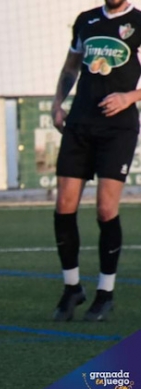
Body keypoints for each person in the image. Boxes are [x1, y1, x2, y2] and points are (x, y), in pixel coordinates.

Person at [51, 0, 141, 322]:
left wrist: (129, 97)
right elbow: (71, 66)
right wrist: (58, 103)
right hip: (80, 122)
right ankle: (72, 287)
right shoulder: (86, 20)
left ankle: (106, 292)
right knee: (64, 204)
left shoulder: (138, 22)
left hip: (118, 127)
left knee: (105, 208)